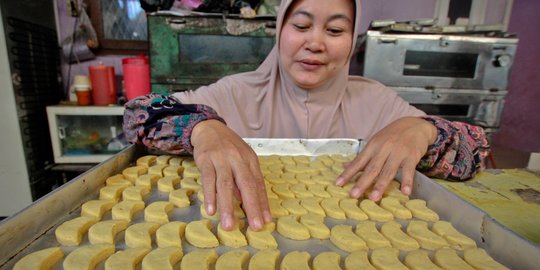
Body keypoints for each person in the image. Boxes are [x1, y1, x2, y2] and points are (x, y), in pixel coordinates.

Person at [123, 0, 490, 231]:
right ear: (280, 30)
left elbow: (476, 152)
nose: (315, 42)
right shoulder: (234, 93)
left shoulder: (377, 102)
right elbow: (137, 115)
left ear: (352, 41)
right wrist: (202, 128)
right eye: (300, 25)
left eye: (334, 30)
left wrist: (422, 130)